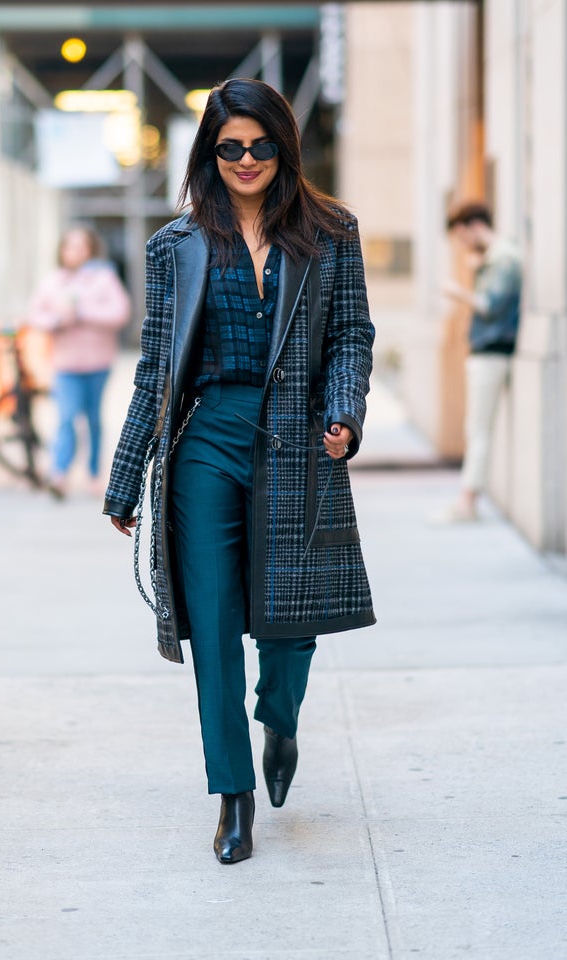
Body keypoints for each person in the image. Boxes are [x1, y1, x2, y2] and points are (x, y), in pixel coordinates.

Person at [103, 78, 375, 864]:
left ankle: (280, 720)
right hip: (206, 443)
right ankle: (233, 796)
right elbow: (156, 371)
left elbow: (352, 333)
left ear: (282, 147)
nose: (246, 159)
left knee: (290, 628)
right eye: (230, 147)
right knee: (216, 627)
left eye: (260, 145)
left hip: (297, 439)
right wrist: (126, 478)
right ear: (209, 153)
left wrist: (346, 410)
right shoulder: (174, 247)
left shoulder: (331, 233)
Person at [28, 226, 131, 498]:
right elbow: (36, 315)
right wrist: (58, 320)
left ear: (90, 249)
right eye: (69, 246)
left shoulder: (104, 278)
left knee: (94, 419)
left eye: (80, 246)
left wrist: (83, 313)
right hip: (65, 363)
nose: (73, 252)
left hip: (98, 362)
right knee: (66, 418)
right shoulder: (52, 281)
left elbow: (120, 312)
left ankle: (94, 473)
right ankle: (59, 473)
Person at [441, 202, 522, 521]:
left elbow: (490, 305)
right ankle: (468, 499)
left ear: (474, 226)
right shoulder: (496, 258)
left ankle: (468, 501)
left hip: (492, 351)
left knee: (478, 429)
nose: (462, 245)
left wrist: (456, 292)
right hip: (489, 350)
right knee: (478, 428)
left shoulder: (503, 258)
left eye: (462, 236)